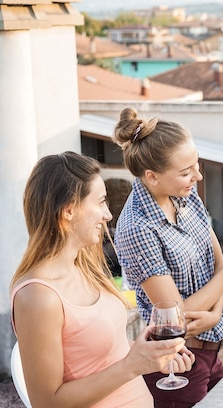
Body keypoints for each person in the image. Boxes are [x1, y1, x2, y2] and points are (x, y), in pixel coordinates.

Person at [10, 151, 193, 408]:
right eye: (100, 202)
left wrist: (153, 355)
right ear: (69, 211)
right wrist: (133, 366)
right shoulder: (38, 297)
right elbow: (46, 402)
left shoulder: (85, 268)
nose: (108, 215)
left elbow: (103, 353)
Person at [112, 107, 223, 408]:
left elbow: (215, 256)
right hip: (177, 362)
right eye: (186, 172)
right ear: (152, 176)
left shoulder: (184, 193)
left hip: (211, 347)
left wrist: (217, 313)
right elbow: (175, 315)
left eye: (196, 164)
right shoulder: (137, 228)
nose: (198, 176)